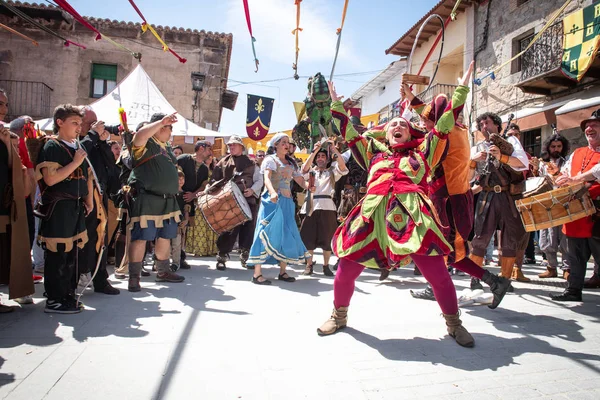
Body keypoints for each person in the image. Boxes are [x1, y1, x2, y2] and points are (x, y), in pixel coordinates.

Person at [319, 65, 477, 347]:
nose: (397, 126)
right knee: (346, 270)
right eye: (392, 125)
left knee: (438, 276)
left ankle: (454, 323)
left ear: (410, 133)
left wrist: (461, 91)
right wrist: (335, 105)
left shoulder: (424, 153)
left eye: (402, 124)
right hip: (371, 217)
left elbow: (443, 126)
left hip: (413, 221)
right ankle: (339, 316)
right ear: (385, 134)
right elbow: (350, 132)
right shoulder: (372, 155)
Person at [403, 86, 510, 309]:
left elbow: (425, 140)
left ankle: (448, 287)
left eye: (427, 121)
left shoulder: (445, 135)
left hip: (448, 201)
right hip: (454, 198)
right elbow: (432, 116)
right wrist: (413, 99)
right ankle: (492, 281)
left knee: (445, 249)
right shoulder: (459, 128)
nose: (424, 124)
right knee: (449, 251)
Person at [36, 104, 93, 313]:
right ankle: (54, 299)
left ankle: (68, 294)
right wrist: (76, 162)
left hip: (76, 207)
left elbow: (86, 177)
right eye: (74, 123)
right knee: (58, 255)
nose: (79, 127)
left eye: (80, 123)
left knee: (72, 256)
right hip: (59, 208)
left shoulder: (77, 148)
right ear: (60, 123)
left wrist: (89, 201)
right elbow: (50, 179)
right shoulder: (52, 146)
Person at [468, 112, 529, 284]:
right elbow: (469, 178)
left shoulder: (511, 142)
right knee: (480, 238)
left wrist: (501, 156)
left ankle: (505, 279)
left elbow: (523, 163)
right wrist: (473, 161)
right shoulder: (477, 148)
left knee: (510, 239)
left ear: (497, 124)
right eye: (481, 125)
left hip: (508, 196)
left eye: (487, 123)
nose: (484, 127)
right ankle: (475, 277)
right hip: (486, 197)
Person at [127, 112, 185, 292]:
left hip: (168, 201)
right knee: (141, 238)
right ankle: (134, 277)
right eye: (168, 128)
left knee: (165, 237)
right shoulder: (146, 143)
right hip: (148, 199)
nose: (170, 131)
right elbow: (139, 136)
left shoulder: (166, 147)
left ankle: (163, 271)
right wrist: (161, 122)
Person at [247, 133, 312, 284]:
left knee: (287, 233)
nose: (286, 145)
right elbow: (267, 179)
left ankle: (283, 272)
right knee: (264, 233)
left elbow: (300, 180)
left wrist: (309, 187)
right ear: (275, 145)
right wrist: (272, 192)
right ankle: (257, 274)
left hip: (287, 202)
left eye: (287, 143)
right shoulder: (270, 160)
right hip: (272, 202)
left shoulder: (291, 163)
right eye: (283, 142)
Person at [550, 110, 600, 301]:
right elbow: (565, 174)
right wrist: (560, 179)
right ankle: (573, 290)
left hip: (598, 212)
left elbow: (597, 172)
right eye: (587, 125)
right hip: (576, 213)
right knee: (574, 256)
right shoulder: (578, 153)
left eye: (595, 125)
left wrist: (574, 179)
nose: (589, 128)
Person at [76, 107, 120, 295]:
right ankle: (79, 278)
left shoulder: (94, 142)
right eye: (89, 123)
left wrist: (102, 142)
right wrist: (93, 134)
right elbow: (78, 152)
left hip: (99, 197)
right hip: (81, 200)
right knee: (84, 241)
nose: (93, 126)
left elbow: (110, 163)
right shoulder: (75, 141)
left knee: (100, 239)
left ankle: (100, 279)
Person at [211, 136, 263, 270]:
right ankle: (222, 256)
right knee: (228, 229)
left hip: (248, 200)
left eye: (234, 145)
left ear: (241, 147)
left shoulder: (252, 163)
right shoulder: (222, 162)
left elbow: (259, 180)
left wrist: (252, 190)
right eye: (230, 145)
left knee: (248, 229)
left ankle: (245, 255)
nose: (231, 147)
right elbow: (214, 180)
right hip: (228, 202)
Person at [300, 139, 347, 276]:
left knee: (327, 238)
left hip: (327, 207)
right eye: (318, 157)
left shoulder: (332, 172)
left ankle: (326, 266)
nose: (320, 159)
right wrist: (314, 151)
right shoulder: (310, 172)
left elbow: (343, 167)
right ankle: (309, 265)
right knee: (308, 237)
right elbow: (303, 169)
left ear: (327, 160)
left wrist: (334, 150)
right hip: (310, 206)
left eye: (323, 156)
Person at [0, 123, 34, 312]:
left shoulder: (17, 159)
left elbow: (25, 190)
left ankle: (20, 289)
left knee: (17, 250)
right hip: (6, 210)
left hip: (17, 209)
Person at [176, 140, 213, 268]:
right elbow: (174, 175)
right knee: (168, 229)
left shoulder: (204, 168)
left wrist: (193, 194)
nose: (210, 152)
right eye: (209, 149)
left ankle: (180, 257)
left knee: (183, 230)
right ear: (201, 148)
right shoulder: (183, 159)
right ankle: (159, 260)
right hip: (175, 200)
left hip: (189, 202)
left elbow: (204, 184)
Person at [538, 133, 570, 278]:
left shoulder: (567, 161)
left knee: (565, 238)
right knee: (547, 236)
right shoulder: (542, 163)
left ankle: (567, 269)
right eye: (553, 146)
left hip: (564, 202)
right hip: (547, 203)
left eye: (558, 146)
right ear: (548, 147)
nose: (556, 149)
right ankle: (551, 267)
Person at [186, 155, 218, 256]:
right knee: (199, 223)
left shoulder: (216, 170)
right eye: (207, 156)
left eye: (210, 157)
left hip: (211, 200)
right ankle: (199, 250)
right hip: (199, 199)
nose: (209, 158)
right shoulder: (199, 169)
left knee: (210, 224)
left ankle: (210, 250)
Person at [170, 169, 190, 271]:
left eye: (182, 179)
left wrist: (186, 220)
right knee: (165, 243)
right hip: (169, 220)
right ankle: (159, 262)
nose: (181, 181)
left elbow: (186, 209)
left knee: (177, 243)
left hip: (180, 221)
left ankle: (176, 263)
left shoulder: (185, 194)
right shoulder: (169, 192)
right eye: (178, 179)